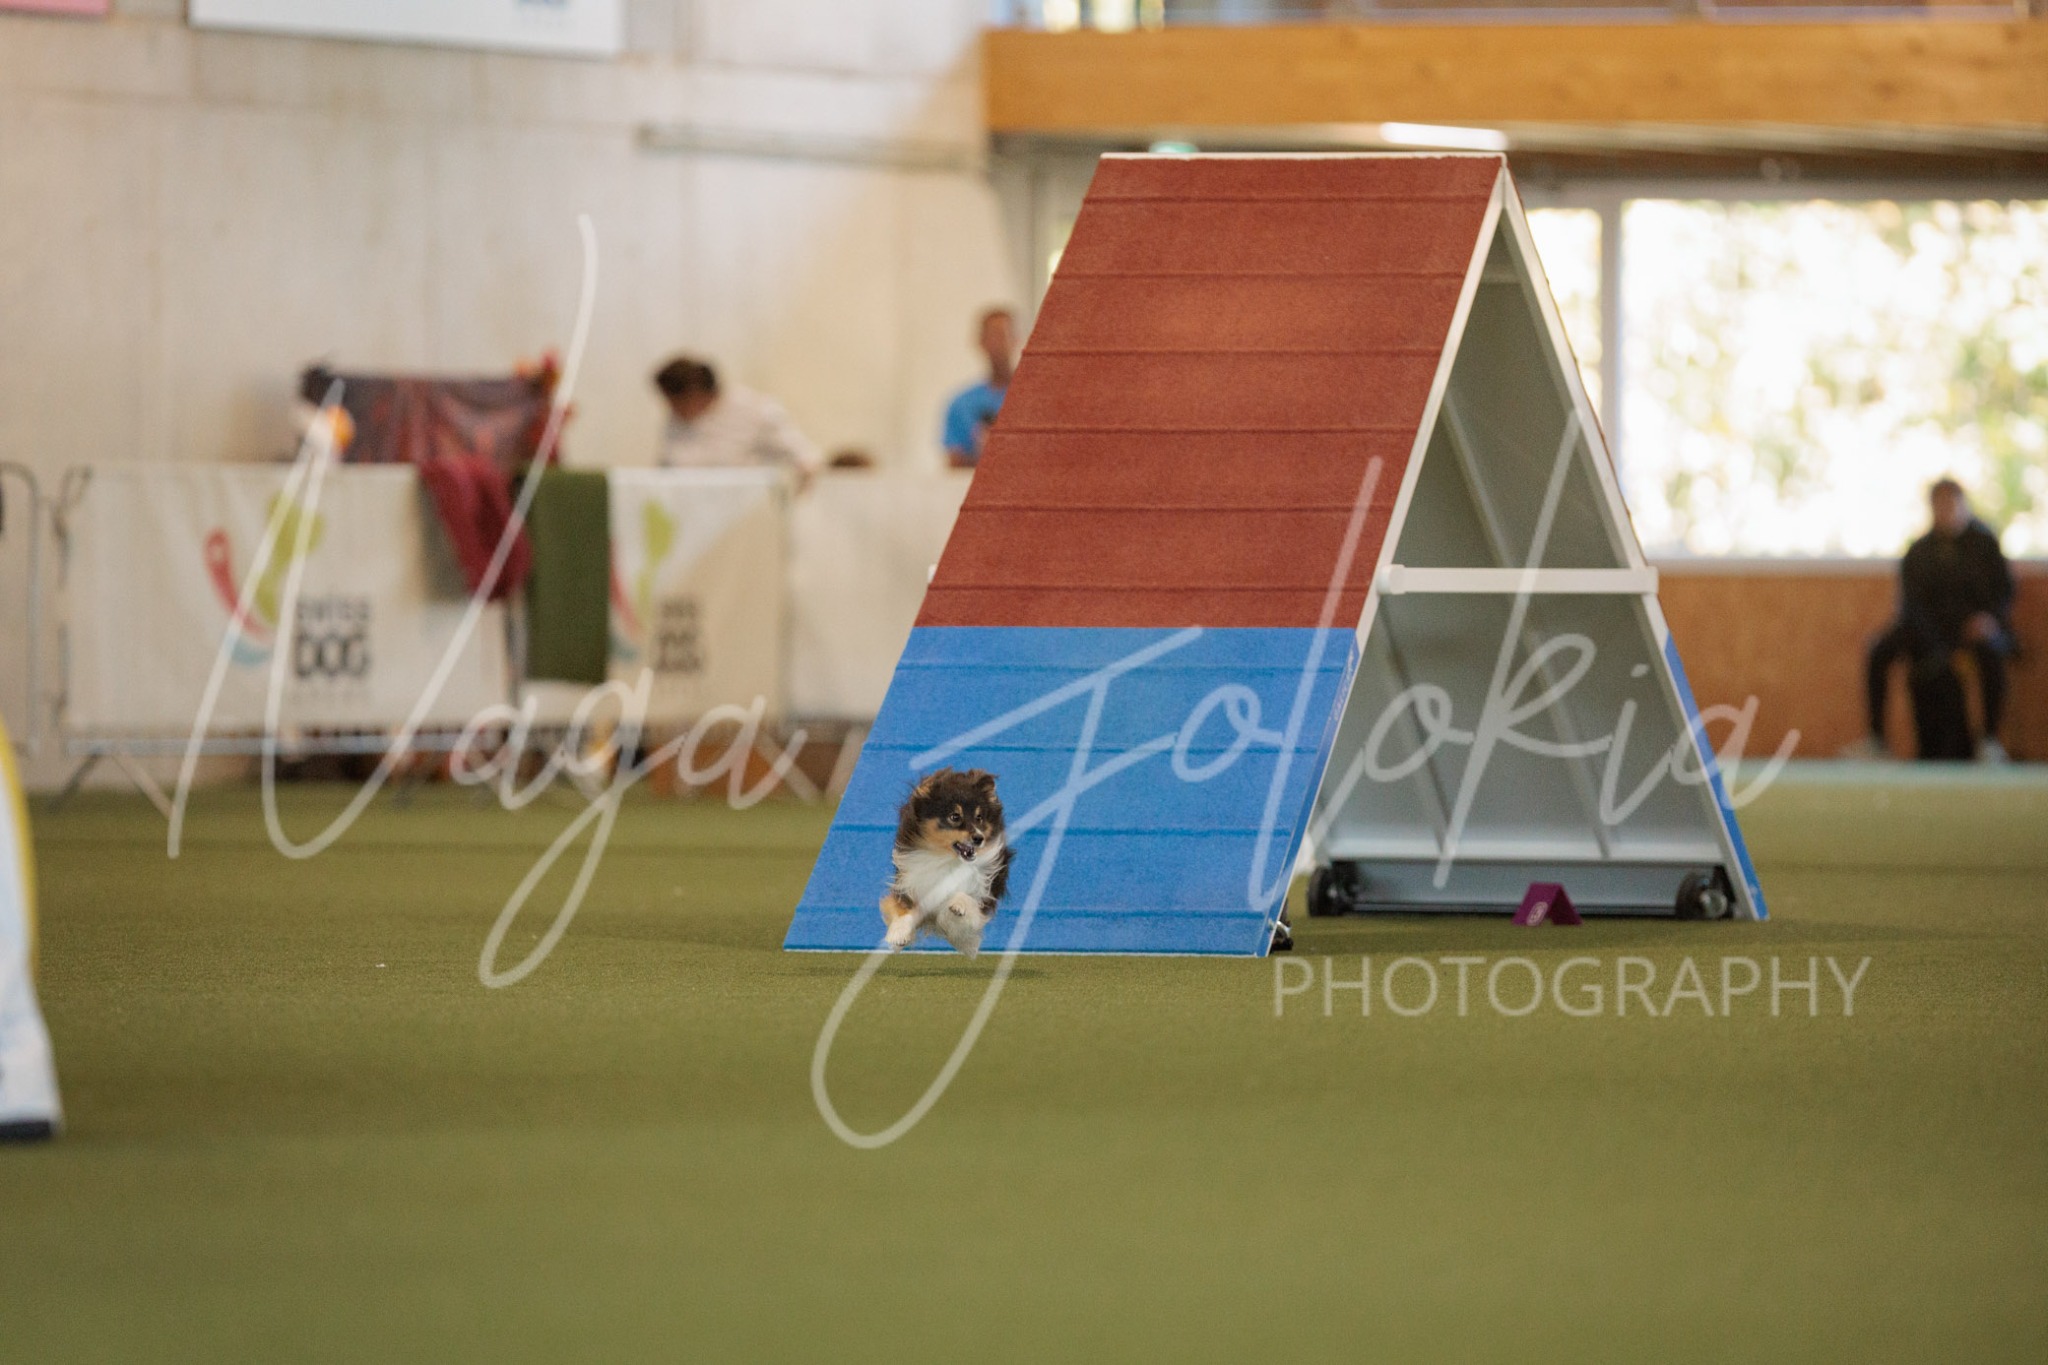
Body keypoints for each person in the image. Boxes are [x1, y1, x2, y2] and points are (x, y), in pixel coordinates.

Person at [1853, 478, 2016, 762]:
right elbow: (1911, 605)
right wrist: (1934, 642)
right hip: (1928, 631)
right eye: (1940, 505)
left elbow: (2005, 591)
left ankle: (1989, 740)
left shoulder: (1985, 545)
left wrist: (1988, 619)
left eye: (1951, 504)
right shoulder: (1919, 551)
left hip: (1975, 628)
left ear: (1963, 506)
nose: (1946, 511)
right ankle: (1876, 740)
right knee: (1880, 649)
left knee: (1991, 651)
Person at [652, 356, 821, 485]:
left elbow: (805, 457)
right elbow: (667, 467)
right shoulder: (675, 420)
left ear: (696, 393)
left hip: (746, 512)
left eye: (676, 403)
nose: (672, 409)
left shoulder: (756, 410)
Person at [940, 307, 1017, 469]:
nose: (998, 344)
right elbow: (953, 463)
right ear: (981, 342)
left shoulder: (1035, 399)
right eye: (992, 336)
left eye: (1003, 335)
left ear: (1016, 339)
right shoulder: (961, 403)